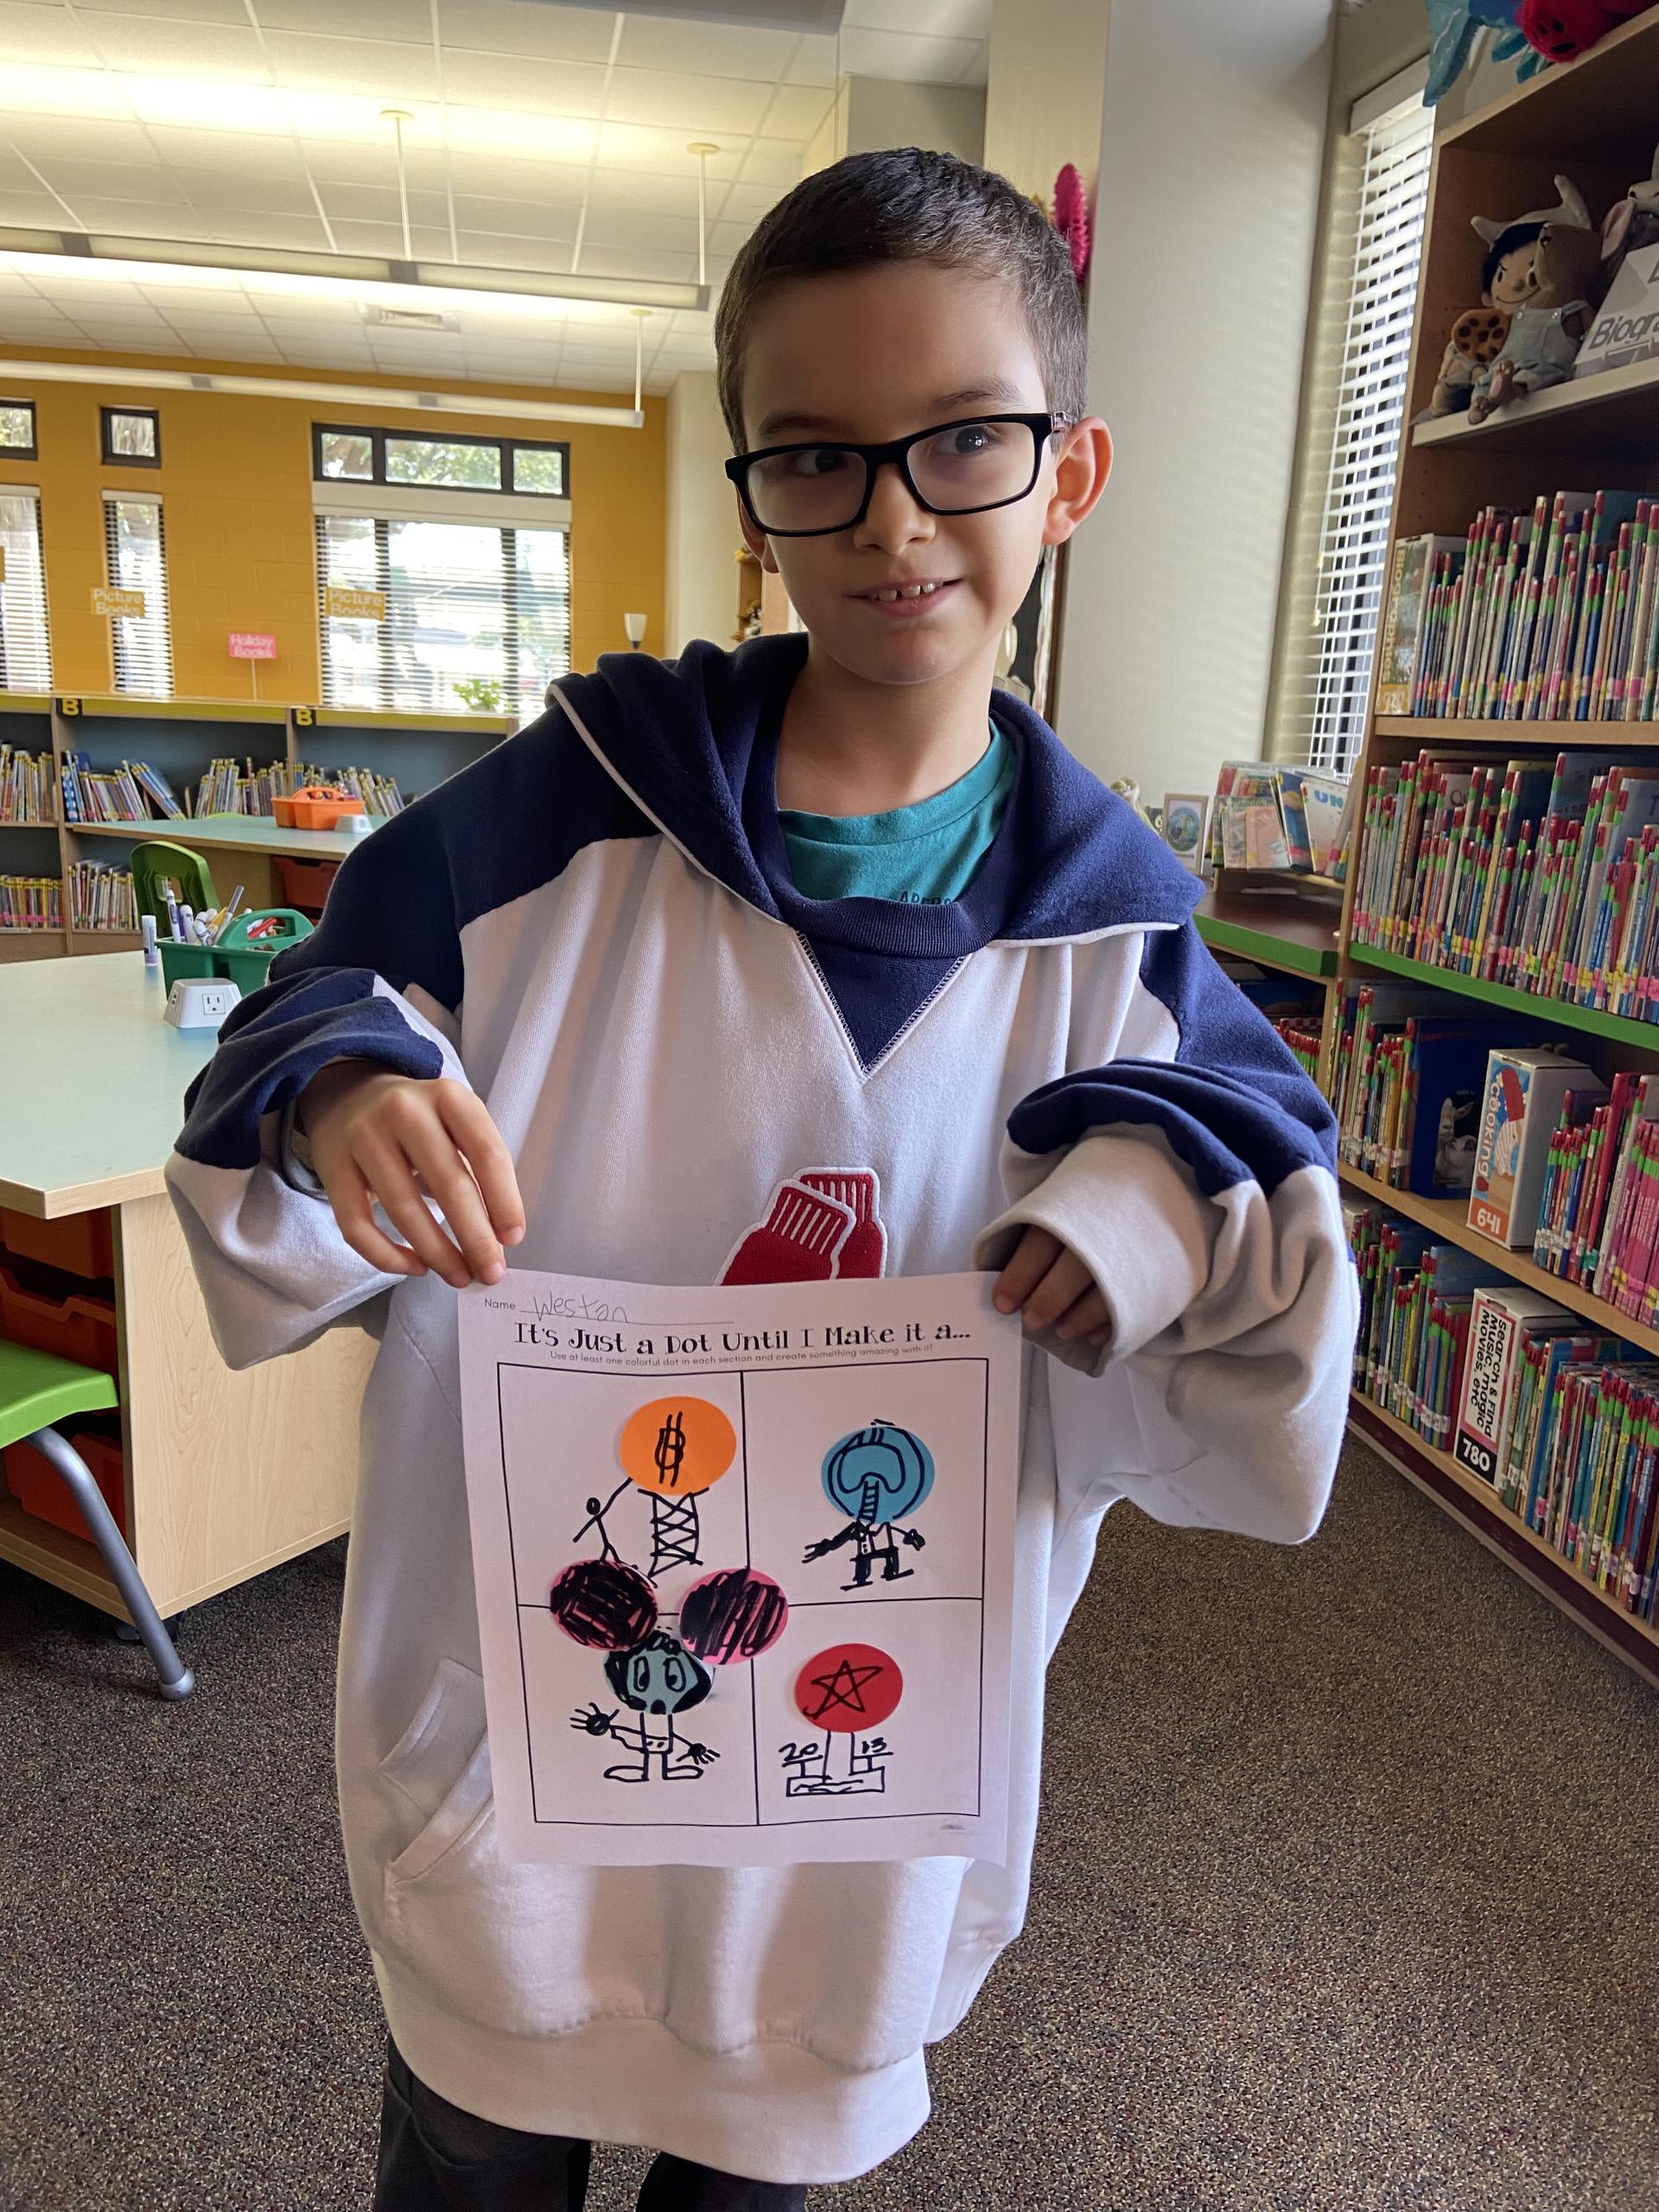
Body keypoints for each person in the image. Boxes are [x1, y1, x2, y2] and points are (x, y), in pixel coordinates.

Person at [167, 148, 1359, 2209]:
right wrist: (347, 1088)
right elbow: (300, 1022)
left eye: (964, 441)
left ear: (1070, 474)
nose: (894, 519)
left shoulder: (1122, 947)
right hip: (515, 1774)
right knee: (474, 2144)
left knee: (768, 2164)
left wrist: (1140, 1212)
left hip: (852, 1801)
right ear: (752, 495)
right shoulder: (537, 834)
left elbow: (1261, 1180)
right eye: (817, 455)